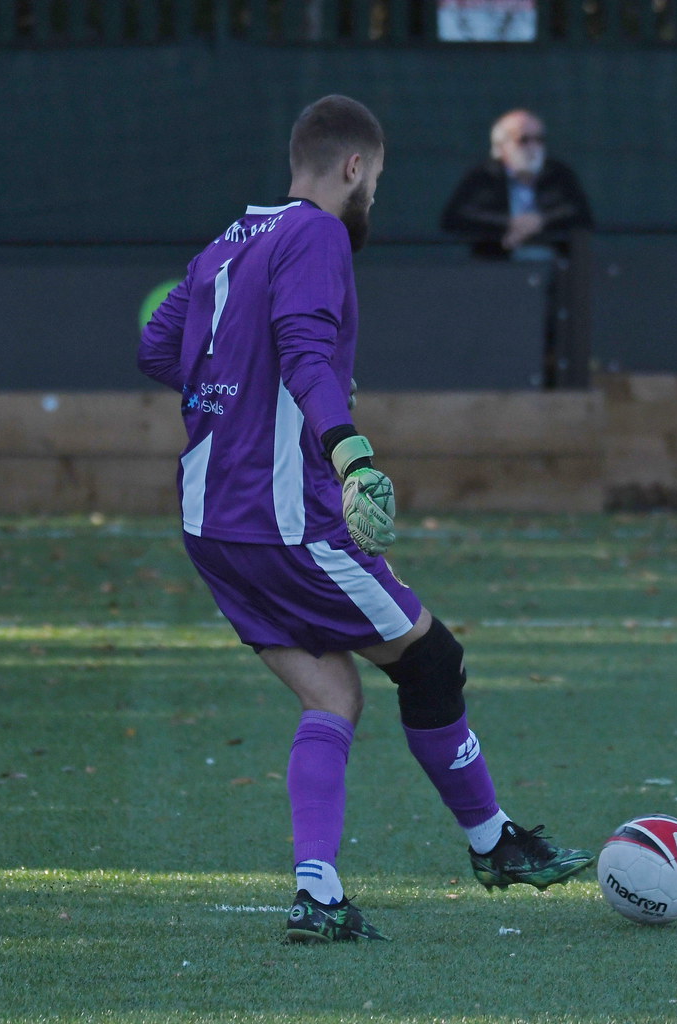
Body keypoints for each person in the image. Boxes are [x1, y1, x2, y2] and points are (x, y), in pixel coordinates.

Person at [138, 94, 593, 944]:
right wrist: (349, 450)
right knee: (432, 663)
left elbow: (161, 350)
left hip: (211, 523)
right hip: (280, 520)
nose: (371, 195)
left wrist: (239, 405)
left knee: (332, 697)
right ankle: (493, 844)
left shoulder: (229, 238)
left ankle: (318, 894)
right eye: (374, 180)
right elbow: (306, 349)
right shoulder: (317, 235)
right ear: (354, 167)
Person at [440, 108, 593, 260]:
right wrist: (509, 224)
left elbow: (580, 212)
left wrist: (540, 221)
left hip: (555, 267)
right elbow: (456, 217)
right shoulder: (483, 175)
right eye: (523, 140)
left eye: (539, 139)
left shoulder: (558, 173)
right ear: (501, 146)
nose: (533, 147)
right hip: (498, 267)